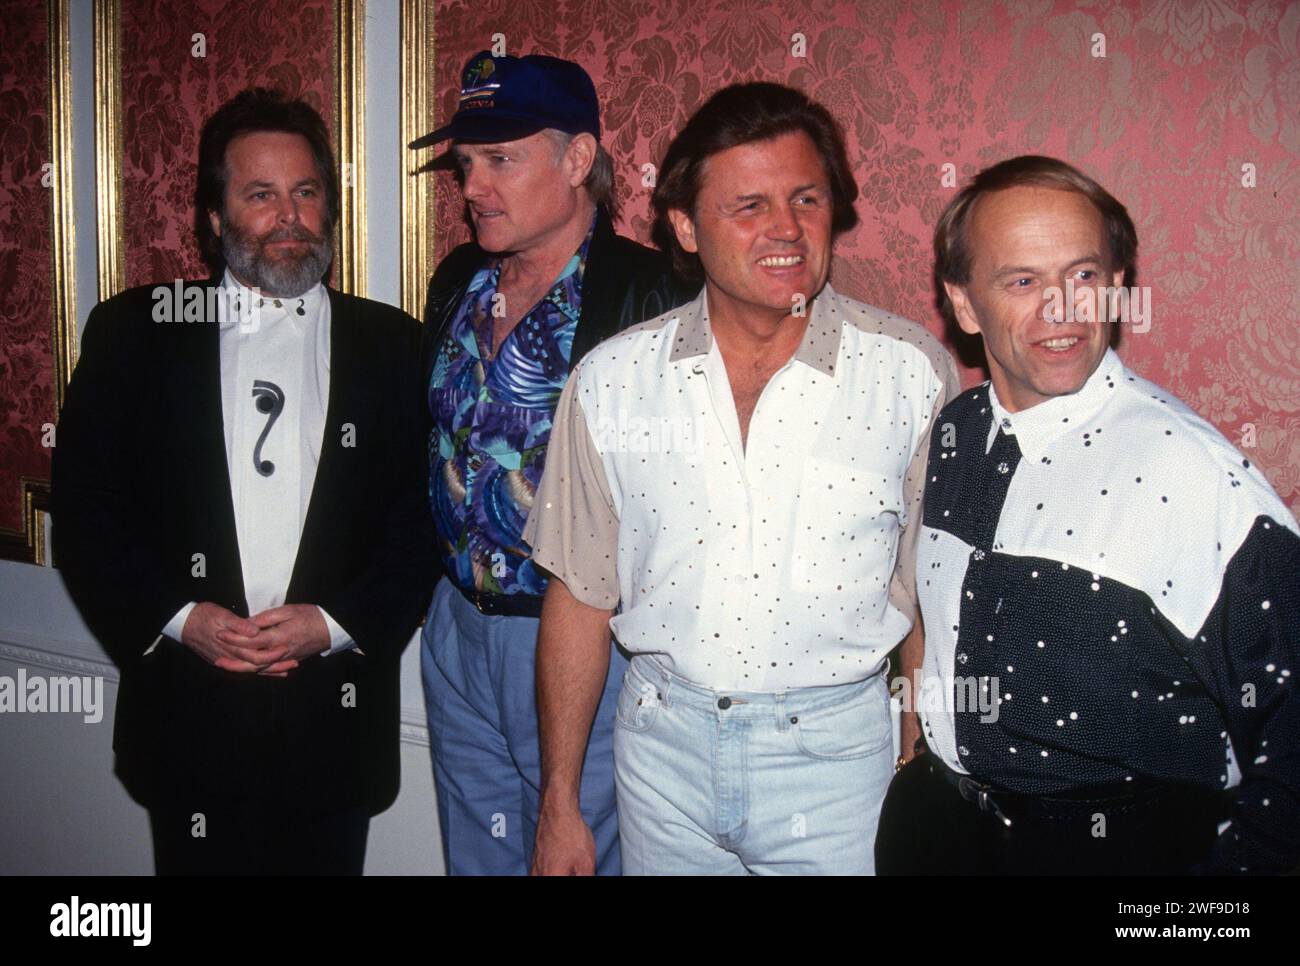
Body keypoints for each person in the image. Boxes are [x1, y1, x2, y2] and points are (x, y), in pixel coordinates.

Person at [525, 82, 959, 875]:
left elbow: (933, 587)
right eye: (749, 206)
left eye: (806, 198)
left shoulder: (911, 375)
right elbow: (580, 595)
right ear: (686, 227)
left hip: (838, 761)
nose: (787, 230)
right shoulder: (612, 382)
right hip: (661, 756)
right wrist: (559, 805)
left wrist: (918, 744)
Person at [876, 154, 1300, 875]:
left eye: (1084, 276)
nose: (1064, 310)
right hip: (939, 833)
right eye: (1022, 281)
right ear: (966, 305)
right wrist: (914, 759)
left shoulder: (1195, 475)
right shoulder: (952, 432)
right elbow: (924, 618)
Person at [51, 88, 435, 875]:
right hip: (189, 717)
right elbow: (89, 515)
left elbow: (421, 521)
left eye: (306, 192)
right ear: (216, 217)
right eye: (260, 195)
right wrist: (180, 616)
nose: (288, 216)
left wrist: (333, 624)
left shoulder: (394, 345)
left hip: (334, 722)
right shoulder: (134, 333)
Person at [411, 51, 690, 875]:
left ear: (577, 160)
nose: (473, 186)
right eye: (466, 164)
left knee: (572, 857)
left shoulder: (651, 294)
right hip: (456, 628)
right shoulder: (458, 279)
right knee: (479, 860)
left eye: (501, 159)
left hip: (577, 642)